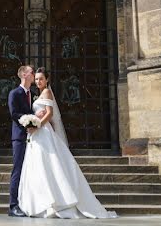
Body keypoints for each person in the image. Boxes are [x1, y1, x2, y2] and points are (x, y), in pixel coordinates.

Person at [18, 68, 117, 219]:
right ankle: (42, 200)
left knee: (50, 164)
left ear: (47, 80)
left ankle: (58, 200)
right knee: (40, 166)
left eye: (41, 79)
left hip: (43, 133)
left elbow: (50, 113)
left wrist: (37, 126)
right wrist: (33, 122)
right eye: (36, 79)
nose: (38, 82)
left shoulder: (47, 93)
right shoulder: (37, 94)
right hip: (37, 135)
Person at [7, 65, 35, 218]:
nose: (34, 74)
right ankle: (13, 206)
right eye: (32, 72)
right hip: (19, 136)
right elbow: (14, 113)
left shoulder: (34, 94)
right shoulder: (14, 93)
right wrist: (28, 123)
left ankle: (28, 202)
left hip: (35, 138)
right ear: (24, 74)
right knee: (17, 170)